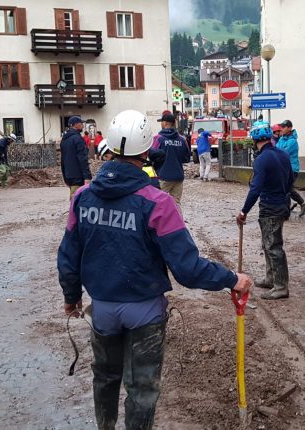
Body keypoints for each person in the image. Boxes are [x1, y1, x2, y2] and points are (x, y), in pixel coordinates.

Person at [58, 109, 253, 430]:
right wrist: (232, 279)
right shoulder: (158, 203)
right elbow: (188, 269)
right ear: (147, 151)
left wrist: (71, 295)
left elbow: (68, 253)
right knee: (142, 389)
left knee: (105, 378)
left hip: (103, 309)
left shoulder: (82, 198)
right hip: (145, 312)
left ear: (108, 148)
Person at [236, 121, 293, 300]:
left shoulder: (261, 160)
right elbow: (291, 179)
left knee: (274, 246)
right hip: (282, 203)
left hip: (270, 207)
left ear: (254, 140)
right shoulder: (282, 154)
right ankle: (271, 278)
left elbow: (255, 188)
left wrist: (244, 211)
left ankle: (281, 286)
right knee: (269, 243)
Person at [151, 112, 191, 207]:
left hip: (163, 177)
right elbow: (186, 158)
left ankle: (159, 222)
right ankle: (178, 221)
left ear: (164, 123)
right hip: (178, 177)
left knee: (156, 203)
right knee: (176, 203)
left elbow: (151, 155)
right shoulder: (182, 139)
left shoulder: (158, 139)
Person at [276, 120, 305, 217]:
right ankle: (302, 204)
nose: (281, 129)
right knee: (287, 188)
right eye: (281, 127)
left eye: (284, 127)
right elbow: (277, 150)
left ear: (289, 128)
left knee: (286, 189)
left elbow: (283, 153)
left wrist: (278, 151)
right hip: (284, 168)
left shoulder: (293, 141)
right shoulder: (282, 139)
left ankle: (286, 211)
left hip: (292, 169)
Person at [61, 116, 92, 197]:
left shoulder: (64, 139)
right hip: (78, 176)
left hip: (69, 176)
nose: (82, 125)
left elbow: (63, 160)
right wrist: (87, 177)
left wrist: (65, 177)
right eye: (81, 123)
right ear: (76, 125)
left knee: (74, 199)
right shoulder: (78, 139)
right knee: (77, 202)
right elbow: (82, 159)